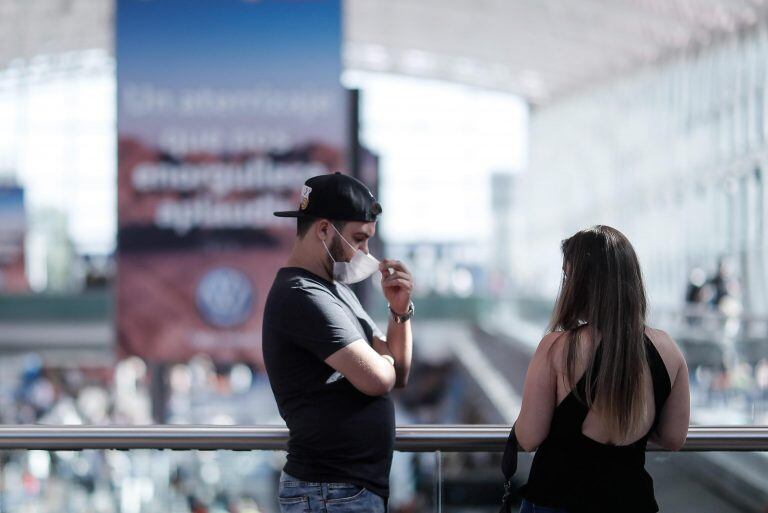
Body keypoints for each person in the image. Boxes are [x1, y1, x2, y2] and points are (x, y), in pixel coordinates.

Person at [263, 172, 414, 513]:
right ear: (324, 230)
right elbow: (377, 379)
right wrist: (382, 364)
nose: (366, 253)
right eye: (359, 239)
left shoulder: (336, 291)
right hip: (329, 492)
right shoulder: (301, 295)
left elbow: (397, 373)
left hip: (345, 490)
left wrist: (400, 311)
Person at [514, 225, 690, 513]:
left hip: (556, 502)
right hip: (633, 503)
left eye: (567, 276)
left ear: (582, 285)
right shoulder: (667, 349)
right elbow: (673, 437)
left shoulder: (557, 348)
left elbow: (529, 436)